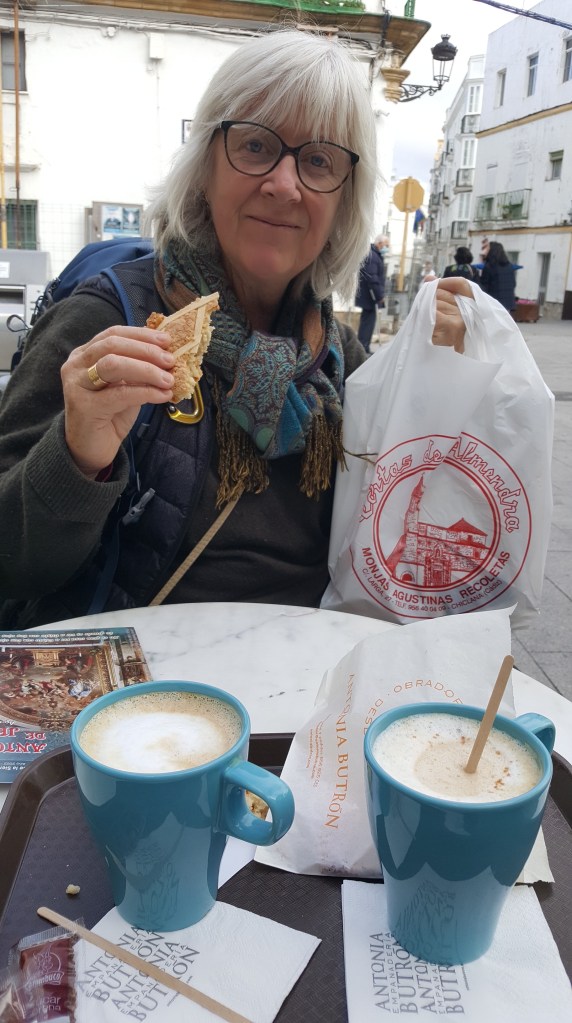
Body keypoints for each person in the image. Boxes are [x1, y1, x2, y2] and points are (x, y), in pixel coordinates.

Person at [0, 30, 470, 629]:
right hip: (136, 674)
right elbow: (12, 568)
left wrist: (443, 388)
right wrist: (76, 456)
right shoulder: (108, 322)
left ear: (342, 203)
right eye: (254, 145)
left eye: (318, 160)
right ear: (205, 168)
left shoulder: (342, 361)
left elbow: (404, 537)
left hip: (313, 671)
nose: (284, 184)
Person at [355, 234, 389, 353]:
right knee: (367, 323)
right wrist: (379, 296)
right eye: (386, 245)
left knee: (368, 322)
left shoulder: (374, 255)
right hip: (370, 296)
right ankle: (363, 348)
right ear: (379, 243)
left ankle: (364, 347)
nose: (387, 248)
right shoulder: (373, 256)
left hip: (369, 296)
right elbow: (372, 277)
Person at [480, 240, 517, 311]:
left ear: (492, 251)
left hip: (494, 303)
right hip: (508, 303)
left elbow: (484, 286)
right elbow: (513, 283)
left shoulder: (489, 267)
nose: (485, 252)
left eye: (487, 250)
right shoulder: (509, 266)